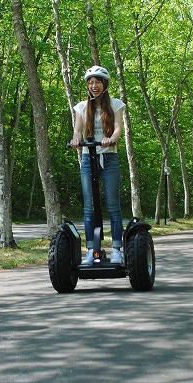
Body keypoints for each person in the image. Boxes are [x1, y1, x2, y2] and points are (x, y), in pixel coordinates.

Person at [70, 65, 126, 265]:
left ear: (105, 84)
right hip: (88, 158)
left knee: (113, 206)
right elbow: (77, 130)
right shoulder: (81, 107)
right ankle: (92, 250)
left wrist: (110, 138)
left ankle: (117, 249)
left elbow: (119, 128)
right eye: (91, 82)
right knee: (89, 208)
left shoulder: (116, 104)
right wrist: (76, 139)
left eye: (98, 82)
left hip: (109, 158)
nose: (94, 86)